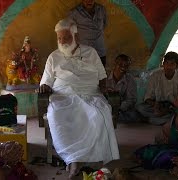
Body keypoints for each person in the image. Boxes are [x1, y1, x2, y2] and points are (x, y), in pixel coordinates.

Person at [37, 18, 119, 178]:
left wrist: (105, 88)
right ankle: (73, 159)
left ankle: (86, 158)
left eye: (65, 37)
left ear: (76, 36)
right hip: (63, 96)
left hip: (90, 93)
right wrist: (45, 86)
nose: (62, 41)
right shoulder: (53, 57)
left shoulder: (91, 53)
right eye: (59, 38)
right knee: (58, 115)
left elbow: (102, 77)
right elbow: (46, 81)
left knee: (99, 114)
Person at [135, 84, 178, 170]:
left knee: (165, 157)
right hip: (174, 147)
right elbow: (172, 140)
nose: (176, 99)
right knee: (144, 151)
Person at [136, 52, 178, 125]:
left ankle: (150, 120)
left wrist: (167, 109)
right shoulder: (155, 76)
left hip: (173, 107)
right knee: (140, 108)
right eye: (166, 63)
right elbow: (148, 97)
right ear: (163, 64)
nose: (168, 67)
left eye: (172, 64)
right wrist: (156, 105)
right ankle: (161, 119)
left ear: (177, 66)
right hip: (158, 105)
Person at [69, 0, 107, 66]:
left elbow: (104, 24)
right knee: (85, 75)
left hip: (100, 52)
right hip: (84, 54)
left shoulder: (101, 9)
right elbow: (70, 32)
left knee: (100, 75)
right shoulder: (74, 12)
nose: (89, 1)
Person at [106, 54, 137, 123]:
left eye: (126, 66)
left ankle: (112, 117)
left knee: (133, 115)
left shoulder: (130, 79)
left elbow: (131, 99)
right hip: (106, 107)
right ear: (115, 64)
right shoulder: (105, 76)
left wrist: (118, 107)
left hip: (121, 109)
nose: (123, 68)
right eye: (120, 65)